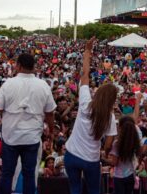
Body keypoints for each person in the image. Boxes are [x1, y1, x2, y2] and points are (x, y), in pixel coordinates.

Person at [0, 53, 56, 194]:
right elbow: (50, 113)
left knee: (7, 173)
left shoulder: (8, 84)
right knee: (29, 174)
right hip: (32, 137)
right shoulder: (43, 85)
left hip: (11, 137)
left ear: (18, 65)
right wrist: (51, 131)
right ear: (34, 66)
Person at [64, 38, 117, 194]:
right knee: (94, 190)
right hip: (91, 159)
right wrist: (105, 153)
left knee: (75, 189)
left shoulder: (85, 102)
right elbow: (108, 143)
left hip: (72, 155)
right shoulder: (110, 117)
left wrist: (87, 51)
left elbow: (85, 74)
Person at [109, 100, 141, 194]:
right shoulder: (135, 140)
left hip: (119, 176)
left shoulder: (117, 144)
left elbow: (114, 162)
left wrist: (104, 157)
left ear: (121, 127)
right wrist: (138, 101)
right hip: (131, 175)